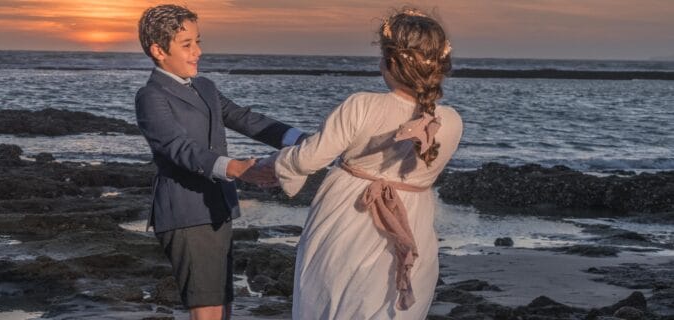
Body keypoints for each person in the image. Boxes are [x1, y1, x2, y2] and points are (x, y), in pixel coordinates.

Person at [256, 7, 463, 319]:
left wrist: (275, 163)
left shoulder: (361, 105)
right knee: (386, 303)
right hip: (414, 220)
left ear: (393, 62)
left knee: (335, 295)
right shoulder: (452, 121)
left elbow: (310, 157)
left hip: (350, 215)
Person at [134, 4, 305, 320]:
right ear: (158, 50)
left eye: (198, 41)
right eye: (187, 45)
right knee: (208, 311)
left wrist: (305, 140)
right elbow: (179, 149)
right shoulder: (151, 96)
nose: (197, 51)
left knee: (223, 306)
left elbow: (245, 119)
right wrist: (237, 168)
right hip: (186, 214)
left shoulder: (205, 87)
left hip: (217, 208)